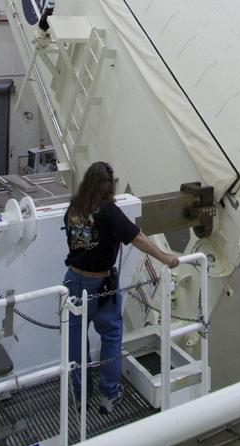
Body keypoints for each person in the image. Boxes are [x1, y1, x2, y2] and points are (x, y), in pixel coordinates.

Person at [64, 161, 180, 414]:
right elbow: (136, 237)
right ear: (108, 185)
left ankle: (80, 397)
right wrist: (165, 258)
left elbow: (77, 243)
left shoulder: (74, 207)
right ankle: (109, 394)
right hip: (100, 284)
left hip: (73, 280)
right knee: (112, 334)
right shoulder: (108, 211)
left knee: (75, 340)